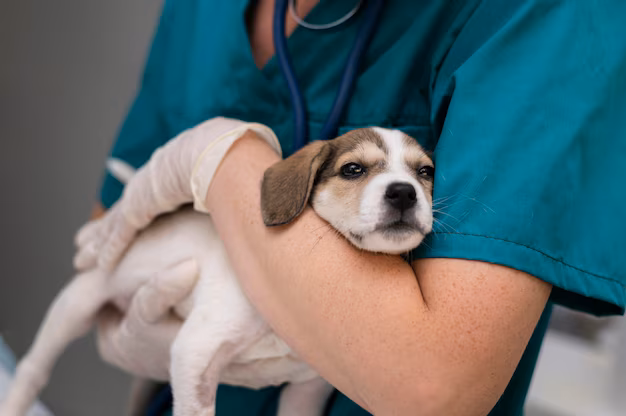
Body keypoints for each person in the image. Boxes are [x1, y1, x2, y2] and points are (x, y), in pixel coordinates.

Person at [76, 0, 626, 415]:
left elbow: (431, 387)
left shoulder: (544, 13)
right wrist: (146, 332)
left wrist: (222, 159)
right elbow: (105, 241)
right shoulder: (203, 10)